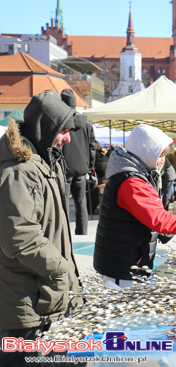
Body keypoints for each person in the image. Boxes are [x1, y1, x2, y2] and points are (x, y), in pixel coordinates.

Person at [0, 92, 82, 365]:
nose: (68, 138)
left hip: (41, 294)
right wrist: (61, 270)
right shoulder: (19, 172)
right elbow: (20, 236)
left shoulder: (44, 162)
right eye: (64, 131)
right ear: (44, 129)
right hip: (25, 303)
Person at [94, 125, 176, 288]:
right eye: (160, 155)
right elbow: (161, 221)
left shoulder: (135, 174)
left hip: (126, 260)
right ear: (145, 151)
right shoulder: (132, 183)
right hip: (123, 267)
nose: (162, 161)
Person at [61, 88, 96, 235]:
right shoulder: (86, 123)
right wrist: (91, 166)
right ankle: (82, 233)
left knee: (62, 203)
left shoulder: (61, 121)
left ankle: (63, 233)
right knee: (81, 203)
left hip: (65, 167)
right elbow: (92, 146)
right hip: (82, 167)